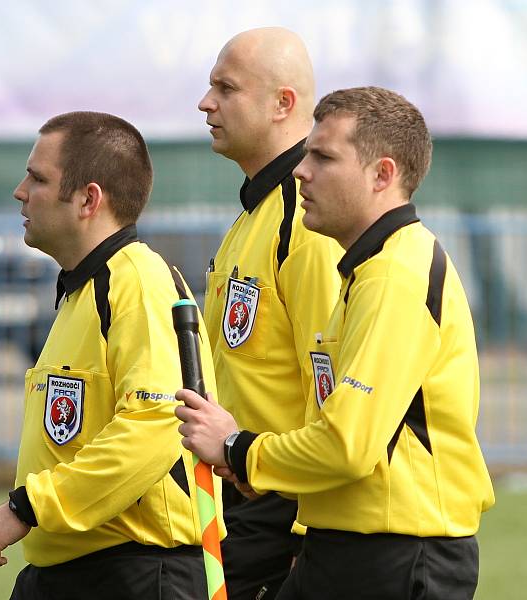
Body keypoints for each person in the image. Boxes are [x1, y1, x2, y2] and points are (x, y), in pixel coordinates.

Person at [176, 86, 495, 599]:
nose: (301, 171)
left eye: (323, 157)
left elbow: (347, 445)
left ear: (382, 175)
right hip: (352, 544)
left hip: (397, 552)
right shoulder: (367, 269)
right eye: (305, 156)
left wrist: (238, 449)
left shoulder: (395, 274)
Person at [0, 111, 223, 600]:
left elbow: (154, 426)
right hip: (73, 572)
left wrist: (28, 508)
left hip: (138, 575)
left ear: (89, 199)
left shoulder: (137, 281)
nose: (20, 191)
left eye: (38, 178)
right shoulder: (84, 289)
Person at [197, 27, 343, 599]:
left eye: (224, 88)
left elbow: (331, 386)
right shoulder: (256, 214)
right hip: (240, 493)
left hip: (280, 507)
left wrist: (307, 534)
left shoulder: (307, 223)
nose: (205, 103)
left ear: (283, 104)